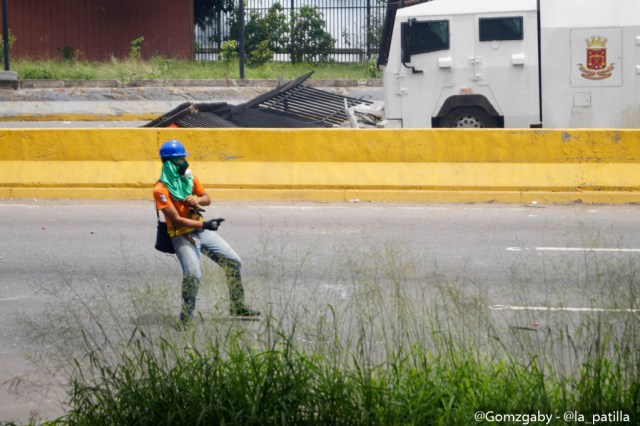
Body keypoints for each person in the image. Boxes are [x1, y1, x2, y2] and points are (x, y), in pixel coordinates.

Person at [153, 139, 260, 328]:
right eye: (179, 159)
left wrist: (197, 200)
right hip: (182, 235)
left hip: (201, 230)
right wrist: (207, 224)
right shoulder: (160, 189)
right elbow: (176, 220)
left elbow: (207, 198)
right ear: (168, 163)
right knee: (193, 275)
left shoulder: (189, 178)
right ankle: (185, 317)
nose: (184, 162)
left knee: (233, 262)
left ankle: (238, 306)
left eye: (184, 158)